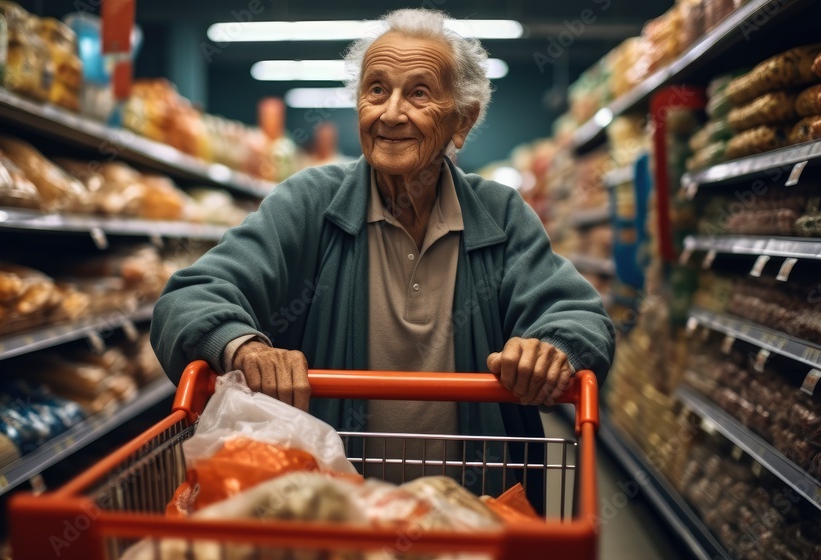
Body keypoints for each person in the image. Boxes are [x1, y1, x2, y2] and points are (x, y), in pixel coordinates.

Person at [151, 8, 614, 506]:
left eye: (418, 93)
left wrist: (551, 347)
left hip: (472, 513)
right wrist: (246, 349)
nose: (391, 113)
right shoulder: (310, 203)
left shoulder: (499, 213)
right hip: (333, 515)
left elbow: (582, 317)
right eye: (376, 90)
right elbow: (188, 298)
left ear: (462, 120)